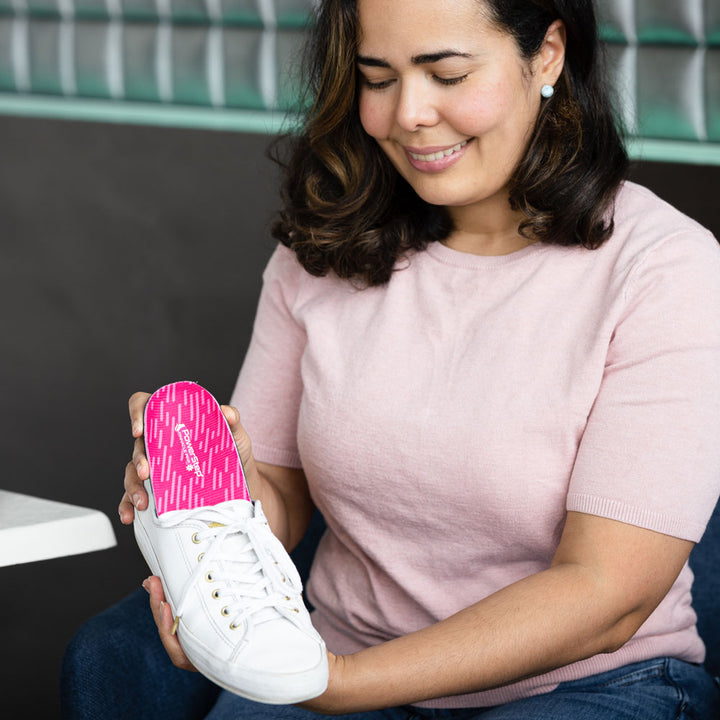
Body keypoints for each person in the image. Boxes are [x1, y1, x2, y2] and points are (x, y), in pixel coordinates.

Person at [62, 0, 720, 718]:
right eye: (378, 78)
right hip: (326, 658)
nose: (408, 113)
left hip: (586, 688)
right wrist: (220, 487)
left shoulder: (666, 269)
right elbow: (278, 506)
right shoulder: (322, 250)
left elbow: (606, 593)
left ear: (549, 54)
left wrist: (338, 682)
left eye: (446, 73)